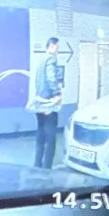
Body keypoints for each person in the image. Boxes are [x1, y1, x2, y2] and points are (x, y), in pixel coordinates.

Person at [29, 37, 70, 169]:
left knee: (40, 134)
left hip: (40, 103)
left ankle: (37, 164)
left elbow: (37, 82)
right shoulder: (51, 59)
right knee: (51, 138)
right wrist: (57, 94)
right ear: (52, 46)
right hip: (49, 104)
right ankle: (47, 167)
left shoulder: (40, 61)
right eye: (57, 47)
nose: (58, 50)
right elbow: (52, 78)